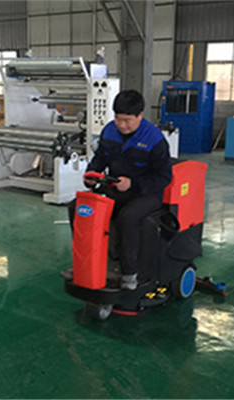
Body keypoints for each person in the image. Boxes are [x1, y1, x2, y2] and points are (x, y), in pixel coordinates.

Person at [74, 90, 172, 290]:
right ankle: (88, 261)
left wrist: (133, 184)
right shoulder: (109, 131)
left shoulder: (154, 139)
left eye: (127, 120)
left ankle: (129, 272)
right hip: (116, 188)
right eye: (118, 119)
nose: (122, 125)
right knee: (79, 207)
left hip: (147, 194)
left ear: (140, 116)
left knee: (128, 217)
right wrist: (92, 174)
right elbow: (101, 158)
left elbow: (164, 177)